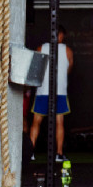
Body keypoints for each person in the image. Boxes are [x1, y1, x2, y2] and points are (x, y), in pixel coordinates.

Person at [29, 26, 74, 160]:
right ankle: (59, 154)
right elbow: (69, 70)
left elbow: (35, 70)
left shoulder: (40, 48)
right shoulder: (67, 51)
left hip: (43, 91)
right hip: (59, 91)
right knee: (59, 122)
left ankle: (31, 153)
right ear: (61, 35)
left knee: (36, 121)